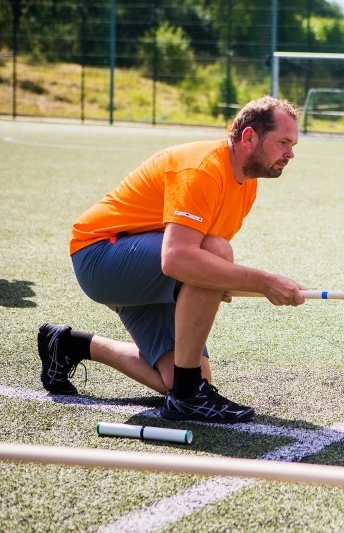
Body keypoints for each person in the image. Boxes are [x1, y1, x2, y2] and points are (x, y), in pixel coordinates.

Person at [37, 95, 307, 424]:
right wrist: (264, 282)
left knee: (180, 375)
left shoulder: (246, 185)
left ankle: (67, 344)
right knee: (212, 256)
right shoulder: (204, 168)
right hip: (99, 255)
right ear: (249, 136)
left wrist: (225, 281)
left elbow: (197, 268)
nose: (290, 153)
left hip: (141, 265)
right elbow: (181, 260)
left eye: (291, 144)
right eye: (283, 142)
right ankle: (188, 397)